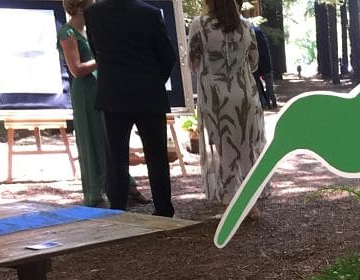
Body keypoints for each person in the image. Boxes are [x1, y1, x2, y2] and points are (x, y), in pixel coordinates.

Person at [85, 0, 177, 217]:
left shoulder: (94, 14)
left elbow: (96, 51)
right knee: (156, 156)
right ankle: (163, 208)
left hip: (113, 94)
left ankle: (117, 209)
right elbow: (168, 56)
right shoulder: (150, 13)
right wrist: (153, 80)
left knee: (115, 158)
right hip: (149, 93)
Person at [57, 0, 148, 208]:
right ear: (81, 7)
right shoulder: (68, 33)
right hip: (86, 92)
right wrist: (105, 58)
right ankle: (95, 193)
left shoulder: (92, 28)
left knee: (110, 140)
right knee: (92, 139)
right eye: (92, 2)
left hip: (103, 86)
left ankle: (125, 186)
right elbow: (76, 69)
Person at [188, 0, 268, 211]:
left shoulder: (199, 24)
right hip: (244, 93)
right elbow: (254, 62)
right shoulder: (246, 26)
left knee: (224, 148)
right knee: (247, 148)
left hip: (215, 96)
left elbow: (193, 63)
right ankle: (250, 201)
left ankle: (230, 201)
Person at [252, 23, 278, 111]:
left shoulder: (252, 32)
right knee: (268, 85)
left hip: (258, 65)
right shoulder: (259, 33)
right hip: (265, 64)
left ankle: (266, 103)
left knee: (259, 86)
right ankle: (270, 103)